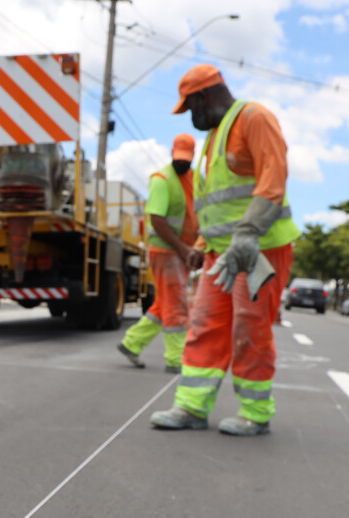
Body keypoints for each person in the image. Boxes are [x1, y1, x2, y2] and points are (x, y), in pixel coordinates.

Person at [150, 64, 300, 436]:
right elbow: (214, 205)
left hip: (258, 250)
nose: (191, 117)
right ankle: (191, 407)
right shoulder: (216, 137)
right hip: (221, 254)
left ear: (204, 96)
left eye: (190, 108)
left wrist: (248, 234)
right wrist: (200, 245)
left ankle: (256, 412)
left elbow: (272, 180)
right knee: (204, 325)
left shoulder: (254, 118)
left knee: (249, 328)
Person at [118, 134, 203, 374]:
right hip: (166, 252)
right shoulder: (162, 180)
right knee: (176, 306)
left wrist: (196, 248)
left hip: (181, 252)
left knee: (164, 303)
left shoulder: (194, 180)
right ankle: (177, 359)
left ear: (192, 157)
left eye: (186, 160)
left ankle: (131, 343)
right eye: (179, 159)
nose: (182, 163)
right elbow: (156, 219)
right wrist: (183, 249)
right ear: (171, 154)